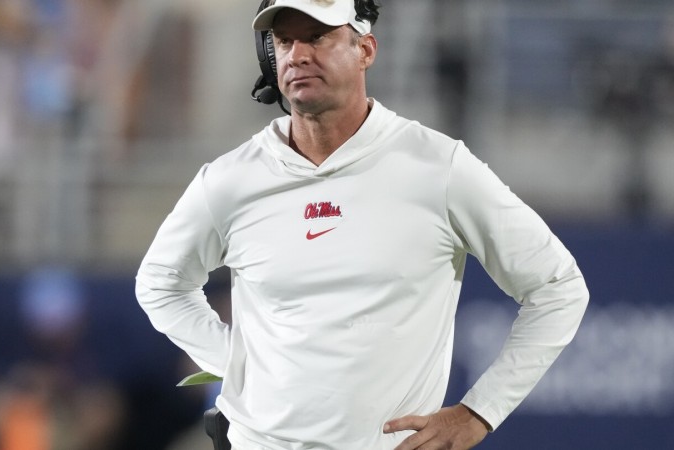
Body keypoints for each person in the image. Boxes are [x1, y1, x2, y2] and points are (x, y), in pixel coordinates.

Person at [135, 1, 589, 449]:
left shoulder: (440, 167)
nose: (298, 55)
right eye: (284, 41)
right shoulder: (229, 179)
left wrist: (479, 412)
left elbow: (558, 287)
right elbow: (160, 283)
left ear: (366, 50)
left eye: (317, 37)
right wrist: (239, 366)